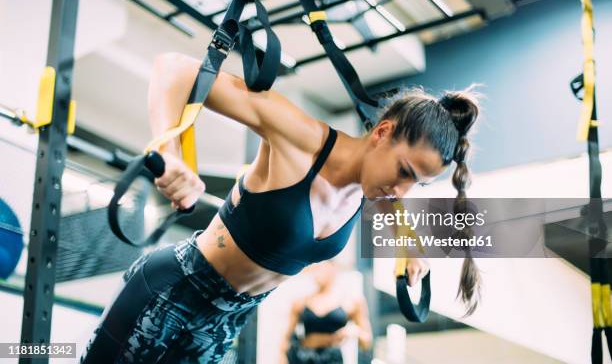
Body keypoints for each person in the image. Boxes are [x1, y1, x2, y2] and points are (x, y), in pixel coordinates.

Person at [80, 52, 480, 363]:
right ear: (382, 131)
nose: (402, 190)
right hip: (173, 288)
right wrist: (169, 154)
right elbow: (175, 70)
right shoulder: (301, 137)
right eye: (404, 171)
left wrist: (408, 247)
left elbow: (396, 208)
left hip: (225, 320)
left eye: (418, 183)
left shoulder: (376, 188)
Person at [280, 260, 372, 364]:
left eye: (321, 268)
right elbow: (285, 341)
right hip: (305, 358)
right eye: (315, 269)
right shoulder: (301, 302)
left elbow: (366, 341)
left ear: (333, 269)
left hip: (332, 359)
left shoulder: (351, 302)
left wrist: (355, 331)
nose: (316, 273)